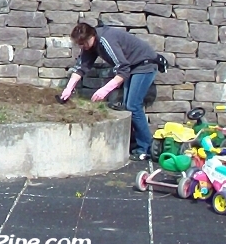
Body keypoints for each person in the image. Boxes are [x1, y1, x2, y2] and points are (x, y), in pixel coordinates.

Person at [60, 22, 158, 161]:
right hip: (132, 67)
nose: (83, 47)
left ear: (92, 35)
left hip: (144, 64)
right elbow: (81, 67)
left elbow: (123, 69)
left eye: (84, 43)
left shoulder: (106, 40)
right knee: (127, 105)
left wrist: (104, 90)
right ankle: (136, 142)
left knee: (133, 105)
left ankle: (146, 148)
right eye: (79, 44)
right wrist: (68, 88)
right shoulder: (90, 44)